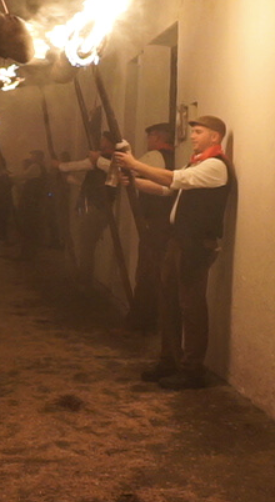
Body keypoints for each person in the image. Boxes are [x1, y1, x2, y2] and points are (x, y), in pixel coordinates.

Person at [117, 115, 232, 390]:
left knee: (191, 307)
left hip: (195, 245)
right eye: (193, 131)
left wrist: (134, 164)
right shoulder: (198, 163)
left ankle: (192, 369)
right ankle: (169, 360)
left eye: (199, 132)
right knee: (168, 303)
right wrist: (133, 181)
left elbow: (172, 178)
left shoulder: (216, 167)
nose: (192, 136)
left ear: (215, 137)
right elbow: (167, 189)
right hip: (178, 242)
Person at [124, 123, 175, 333]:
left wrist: (126, 165)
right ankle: (144, 319)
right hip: (160, 223)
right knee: (151, 271)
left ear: (157, 137)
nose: (148, 142)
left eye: (150, 137)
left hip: (156, 223)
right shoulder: (168, 158)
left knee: (147, 272)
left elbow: (162, 188)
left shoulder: (155, 157)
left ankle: (141, 321)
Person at [55, 132, 117, 289]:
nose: (101, 141)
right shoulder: (101, 160)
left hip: (97, 207)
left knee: (86, 245)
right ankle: (82, 276)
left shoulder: (110, 160)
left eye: (104, 139)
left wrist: (61, 166)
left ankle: (84, 279)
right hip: (91, 206)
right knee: (84, 243)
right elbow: (88, 184)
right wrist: (70, 179)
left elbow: (81, 165)